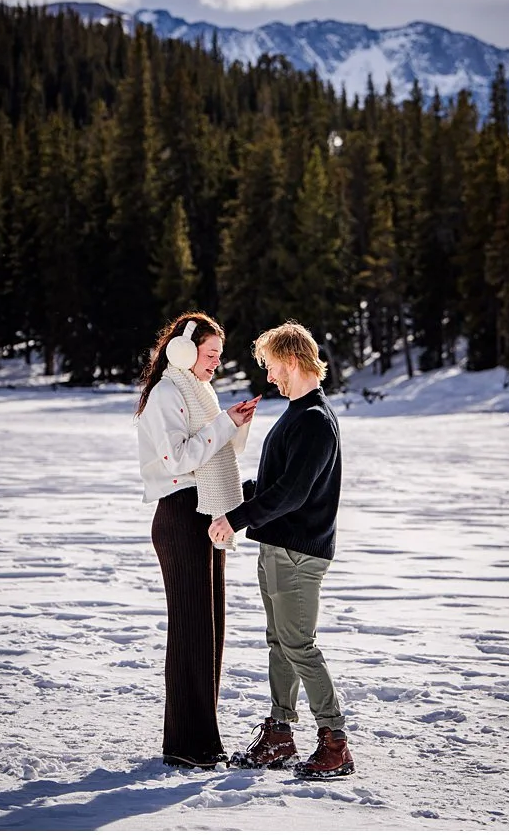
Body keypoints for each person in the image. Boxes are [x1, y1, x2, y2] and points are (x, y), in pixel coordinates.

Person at [214, 322, 354, 778]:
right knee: (281, 643)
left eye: (272, 367)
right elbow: (275, 483)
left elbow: (293, 493)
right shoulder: (298, 413)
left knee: (298, 645)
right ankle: (279, 734)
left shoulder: (314, 419)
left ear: (292, 361)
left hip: (297, 552)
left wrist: (236, 518)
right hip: (278, 547)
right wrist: (227, 496)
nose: (270, 376)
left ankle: (335, 742)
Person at [135, 312, 259, 769]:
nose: (215, 364)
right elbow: (178, 459)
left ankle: (202, 741)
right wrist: (223, 424)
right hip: (179, 514)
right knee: (191, 631)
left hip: (206, 510)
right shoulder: (167, 393)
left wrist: (236, 424)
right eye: (210, 354)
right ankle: (188, 746)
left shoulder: (200, 391)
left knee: (209, 630)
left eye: (218, 356)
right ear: (184, 350)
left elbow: (219, 450)